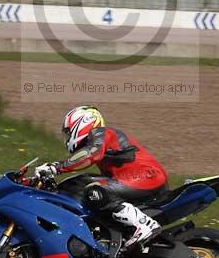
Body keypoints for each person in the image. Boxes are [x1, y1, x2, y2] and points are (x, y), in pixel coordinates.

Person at [34, 105, 169, 249]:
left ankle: (145, 225)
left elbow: (91, 154)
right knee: (85, 185)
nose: (67, 138)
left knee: (95, 191)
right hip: (140, 179)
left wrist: (56, 167)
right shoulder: (101, 143)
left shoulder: (102, 133)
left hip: (147, 176)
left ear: (84, 123)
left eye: (68, 132)